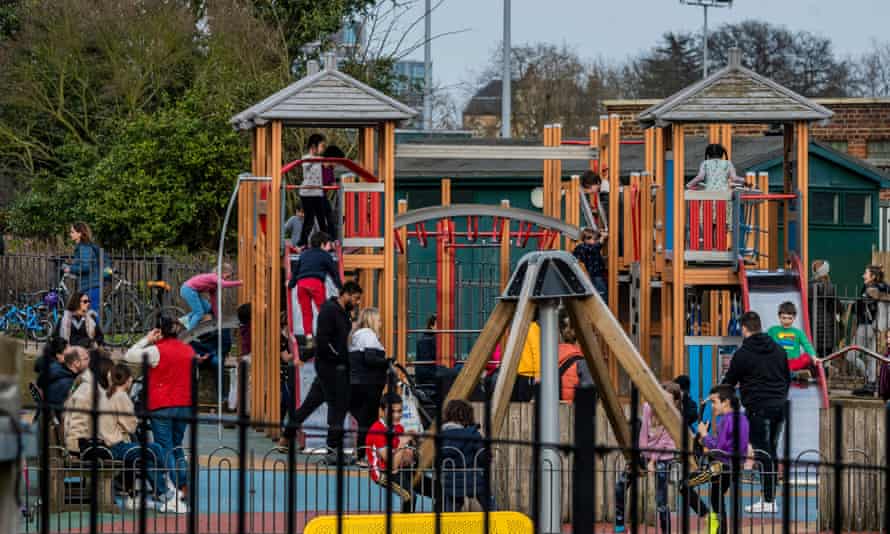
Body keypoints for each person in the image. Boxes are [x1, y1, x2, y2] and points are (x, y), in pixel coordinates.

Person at [123, 316, 206, 507]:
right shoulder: (189, 351)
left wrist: (147, 339)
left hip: (162, 404)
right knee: (176, 446)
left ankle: (172, 490)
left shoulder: (156, 351)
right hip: (184, 403)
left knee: (164, 446)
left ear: (159, 332)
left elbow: (129, 355)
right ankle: (183, 485)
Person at [616, 382, 709, 534]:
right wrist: (640, 456)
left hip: (663, 456)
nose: (663, 402)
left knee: (661, 500)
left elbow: (665, 442)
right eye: (662, 397)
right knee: (620, 485)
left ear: (675, 401)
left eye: (668, 399)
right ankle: (619, 524)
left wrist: (652, 461)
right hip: (645, 453)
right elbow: (643, 434)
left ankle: (666, 531)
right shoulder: (648, 408)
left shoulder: (674, 416)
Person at [722, 311, 789, 514]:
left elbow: (730, 381)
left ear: (744, 328)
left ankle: (768, 500)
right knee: (771, 451)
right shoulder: (778, 350)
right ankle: (769, 497)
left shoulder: (743, 354)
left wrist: (717, 395)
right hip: (779, 406)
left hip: (758, 407)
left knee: (762, 452)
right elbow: (786, 377)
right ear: (760, 326)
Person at [99, 364, 182, 512]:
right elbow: (131, 427)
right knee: (155, 448)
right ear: (128, 380)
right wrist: (135, 420)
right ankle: (167, 481)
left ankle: (164, 495)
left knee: (146, 458)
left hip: (107, 445)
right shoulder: (122, 397)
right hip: (116, 447)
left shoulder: (109, 394)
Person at [315, 281, 363, 461]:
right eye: (356, 298)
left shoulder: (343, 313)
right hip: (332, 366)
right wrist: (338, 357)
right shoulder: (330, 311)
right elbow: (323, 339)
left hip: (338, 365)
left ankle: (334, 447)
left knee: (339, 407)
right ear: (347, 294)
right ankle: (333, 447)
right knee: (338, 406)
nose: (357, 302)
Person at [696, 385, 750, 534]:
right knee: (716, 498)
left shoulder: (726, 420)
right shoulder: (742, 418)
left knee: (685, 484)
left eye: (714, 402)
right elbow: (727, 445)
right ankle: (720, 529)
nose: (713, 406)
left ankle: (707, 516)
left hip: (722, 466)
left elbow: (719, 448)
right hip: (735, 465)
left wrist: (704, 435)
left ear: (725, 402)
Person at [348, 308, 390, 460]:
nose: (381, 324)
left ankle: (363, 453)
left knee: (363, 420)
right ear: (372, 320)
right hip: (369, 384)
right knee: (368, 421)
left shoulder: (356, 336)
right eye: (379, 320)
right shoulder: (369, 336)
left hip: (356, 383)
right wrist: (388, 362)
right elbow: (370, 358)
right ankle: (364, 454)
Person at [288, 231, 342, 346]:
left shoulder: (304, 254)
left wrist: (291, 285)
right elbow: (334, 273)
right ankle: (328, 335)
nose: (329, 247)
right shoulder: (325, 255)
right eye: (328, 244)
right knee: (323, 310)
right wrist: (341, 288)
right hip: (315, 283)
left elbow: (295, 272)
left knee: (306, 312)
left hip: (301, 285)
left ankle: (309, 338)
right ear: (322, 244)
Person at [438, 399, 491, 512]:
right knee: (489, 504)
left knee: (450, 510)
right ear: (467, 415)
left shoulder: (441, 436)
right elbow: (482, 456)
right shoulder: (472, 434)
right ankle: (499, 524)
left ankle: (448, 528)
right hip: (473, 478)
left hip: (451, 481)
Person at [64, 356, 113, 455]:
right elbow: (77, 424)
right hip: (84, 447)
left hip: (88, 443)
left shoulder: (91, 388)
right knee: (149, 451)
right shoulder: (89, 391)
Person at [851, 265, 889, 390]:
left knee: (850, 356)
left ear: (873, 276)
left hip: (866, 325)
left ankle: (868, 377)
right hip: (875, 326)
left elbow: (876, 295)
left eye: (865, 273)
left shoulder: (871, 287)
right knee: (871, 356)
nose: (863, 275)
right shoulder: (884, 286)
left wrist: (875, 294)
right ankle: (871, 383)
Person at [180, 263, 242, 332]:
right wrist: (239, 283)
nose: (227, 279)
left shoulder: (214, 286)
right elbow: (224, 284)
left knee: (208, 308)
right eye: (227, 276)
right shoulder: (213, 277)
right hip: (188, 289)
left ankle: (184, 320)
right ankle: (189, 332)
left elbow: (214, 302)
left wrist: (218, 318)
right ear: (221, 272)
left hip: (192, 291)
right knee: (199, 313)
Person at [767, 301, 817, 380]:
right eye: (784, 318)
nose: (786, 321)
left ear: (794, 317)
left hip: (793, 363)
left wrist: (814, 357)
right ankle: (795, 375)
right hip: (779, 363)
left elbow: (807, 345)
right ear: (779, 317)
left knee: (807, 357)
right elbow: (764, 343)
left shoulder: (798, 332)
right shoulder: (773, 330)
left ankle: (793, 374)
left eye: (790, 318)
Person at [297, 134, 329, 247]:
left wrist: (326, 161)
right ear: (313, 147)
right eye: (321, 146)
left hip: (317, 192)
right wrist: (318, 159)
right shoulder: (305, 158)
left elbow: (327, 164)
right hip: (307, 193)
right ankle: (302, 242)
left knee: (321, 217)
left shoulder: (319, 159)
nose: (322, 149)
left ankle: (326, 242)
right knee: (309, 219)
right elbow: (307, 165)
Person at [64, 222, 102, 313]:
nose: (70, 234)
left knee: (92, 316)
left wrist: (70, 269)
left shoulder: (84, 247)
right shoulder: (81, 247)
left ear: (80, 233)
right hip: (87, 286)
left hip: (91, 286)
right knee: (85, 315)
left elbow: (86, 267)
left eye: (72, 232)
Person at [44, 346, 89, 414]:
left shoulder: (57, 370)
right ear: (76, 363)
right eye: (86, 359)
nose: (89, 361)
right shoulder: (69, 383)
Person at [809, 260, 839, 358]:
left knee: (813, 357)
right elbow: (836, 307)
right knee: (825, 359)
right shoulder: (830, 287)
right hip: (827, 329)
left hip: (812, 326)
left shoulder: (808, 285)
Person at [557, 321, 592, 403]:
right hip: (572, 407)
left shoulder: (550, 356)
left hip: (552, 405)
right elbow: (588, 388)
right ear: (579, 341)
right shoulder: (581, 360)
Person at [573, 227, 608, 299]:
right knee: (602, 293)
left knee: (600, 292)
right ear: (586, 239)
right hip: (593, 275)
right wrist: (602, 238)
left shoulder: (587, 246)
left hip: (597, 274)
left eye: (596, 239)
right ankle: (601, 307)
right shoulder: (584, 246)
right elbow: (595, 248)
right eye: (594, 239)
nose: (595, 241)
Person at [515, 312, 540, 402]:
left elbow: (536, 351)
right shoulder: (528, 328)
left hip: (529, 374)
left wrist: (537, 374)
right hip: (524, 373)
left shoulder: (531, 328)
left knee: (526, 406)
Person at [321, 145, 345, 241]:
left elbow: (332, 183)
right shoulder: (318, 167)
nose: (338, 164)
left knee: (330, 218)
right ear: (331, 158)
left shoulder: (330, 169)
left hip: (322, 196)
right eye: (337, 161)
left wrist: (340, 186)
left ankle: (332, 240)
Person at [415, 314, 438, 387]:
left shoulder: (424, 338)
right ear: (432, 326)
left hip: (423, 376)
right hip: (428, 377)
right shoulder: (429, 340)